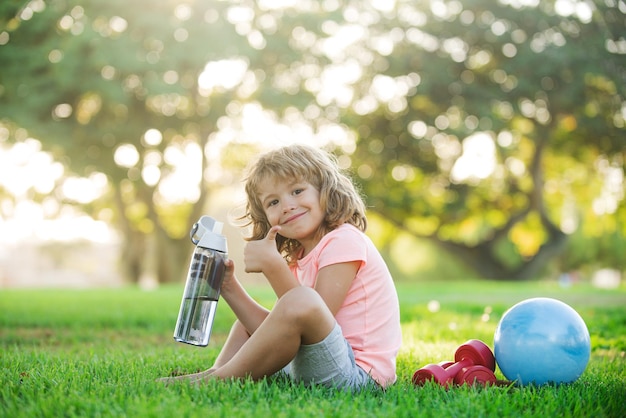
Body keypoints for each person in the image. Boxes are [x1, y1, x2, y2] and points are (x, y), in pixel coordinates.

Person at [160, 144, 402, 391]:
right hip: (318, 362)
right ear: (265, 216)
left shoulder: (344, 240)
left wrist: (274, 266)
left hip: (357, 375)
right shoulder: (299, 256)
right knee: (249, 324)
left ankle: (215, 383)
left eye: (297, 191)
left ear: (325, 190)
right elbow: (286, 326)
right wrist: (228, 286)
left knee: (301, 301)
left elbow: (314, 312)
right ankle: (217, 372)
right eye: (273, 202)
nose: (287, 205)